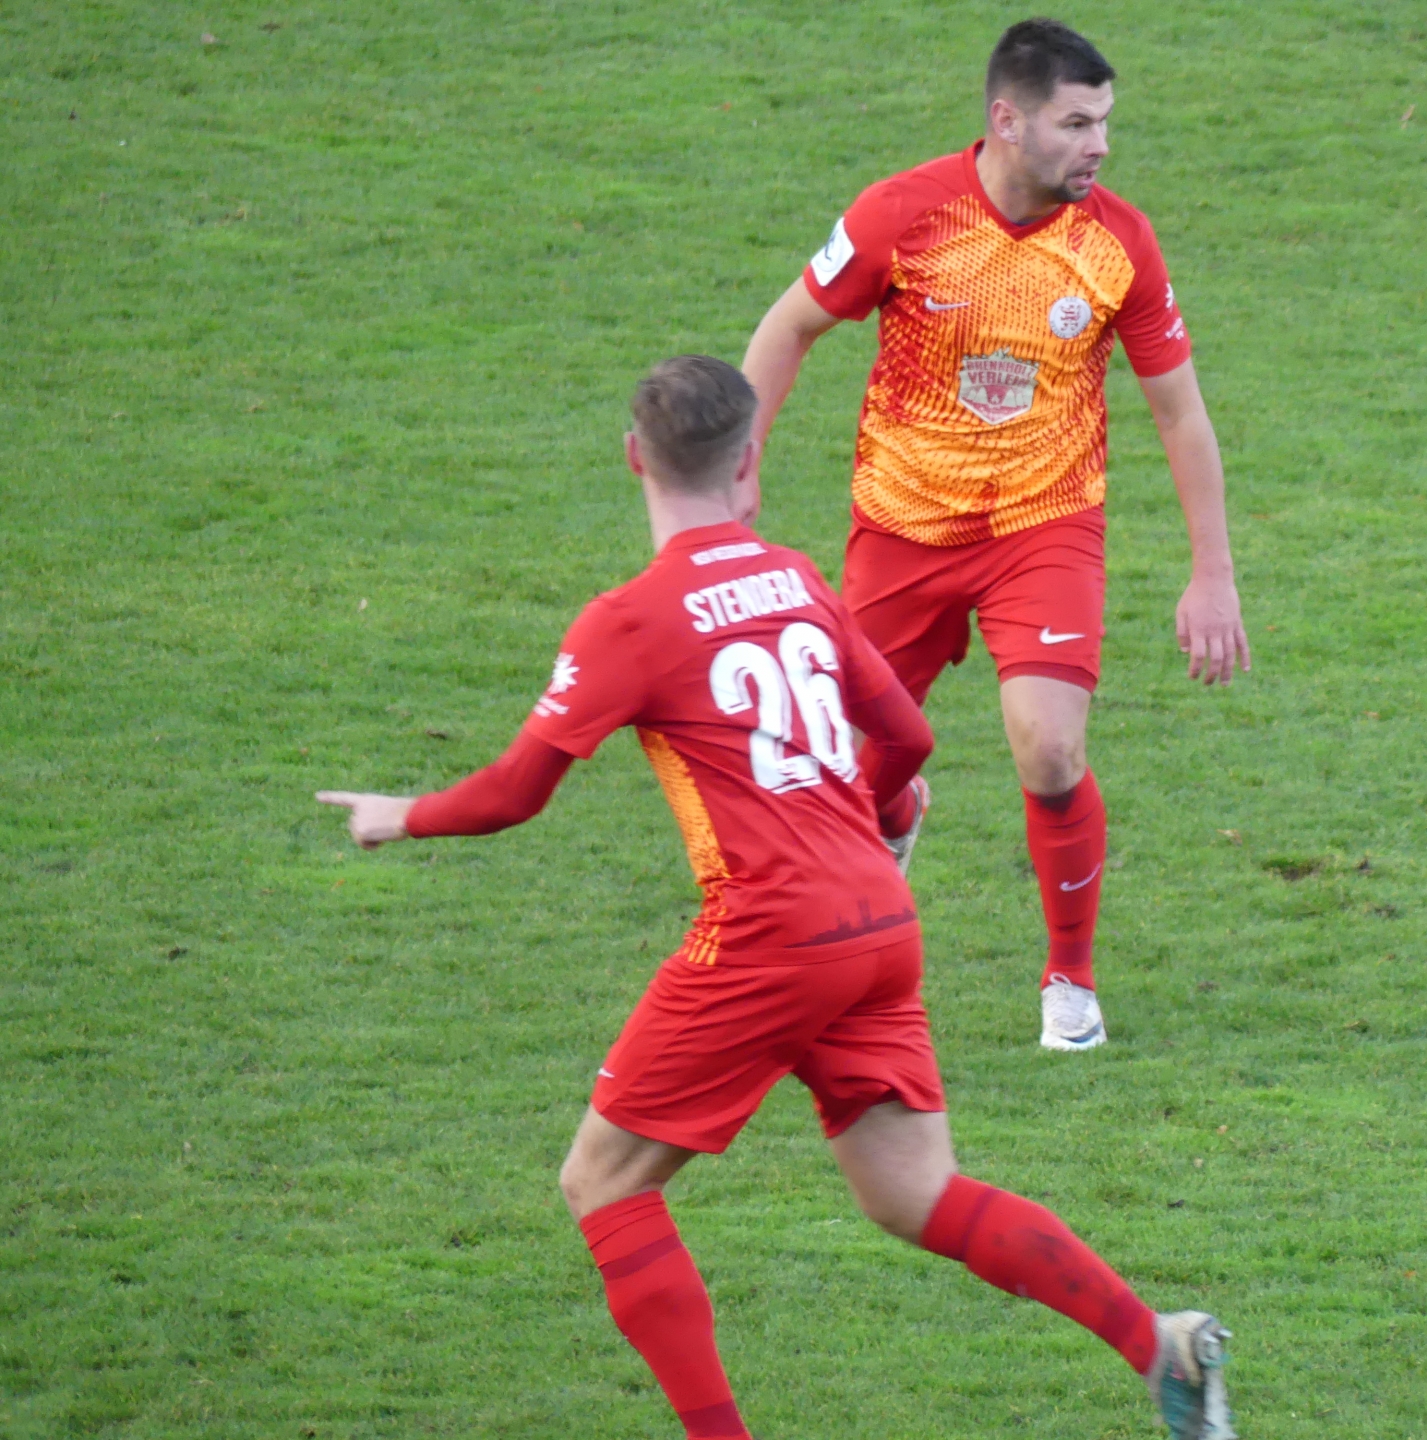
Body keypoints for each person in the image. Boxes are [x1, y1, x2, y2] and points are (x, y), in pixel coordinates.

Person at [315, 356, 1236, 1440]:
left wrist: (403, 815)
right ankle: (1160, 1344)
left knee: (604, 1183)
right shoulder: (799, 580)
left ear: (633, 459)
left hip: (769, 934)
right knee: (916, 1194)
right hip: (879, 925)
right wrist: (878, 814)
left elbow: (517, 792)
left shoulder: (629, 620)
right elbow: (908, 739)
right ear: (750, 459)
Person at [741, 18, 1250, 1051]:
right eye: (1077, 124)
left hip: (1042, 525)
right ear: (1008, 121)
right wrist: (738, 465)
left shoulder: (1118, 242)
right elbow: (788, 326)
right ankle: (896, 814)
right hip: (903, 526)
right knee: (847, 774)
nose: (1099, 145)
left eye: (1105, 122)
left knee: (1050, 749)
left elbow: (1180, 412)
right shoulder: (903, 214)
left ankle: (1071, 981)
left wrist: (1213, 573)